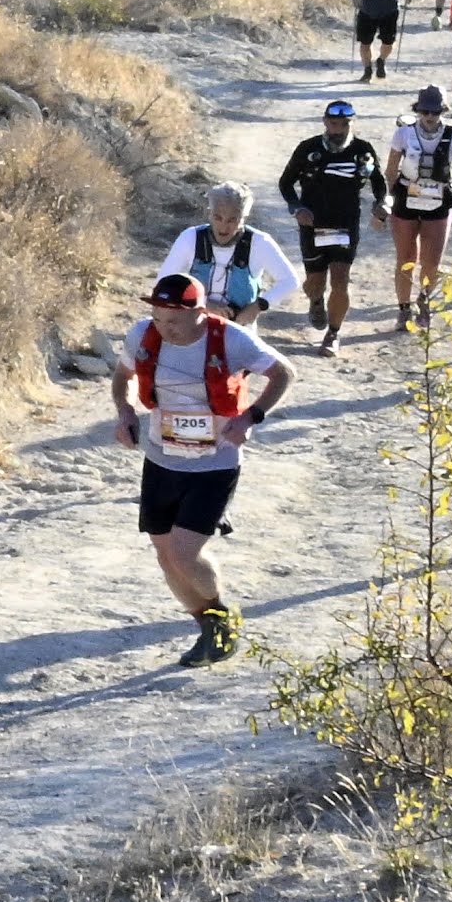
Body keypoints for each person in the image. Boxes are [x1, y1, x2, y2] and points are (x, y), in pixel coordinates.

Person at [109, 273, 295, 665]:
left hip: (215, 463)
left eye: (174, 320)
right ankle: (208, 626)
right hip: (161, 460)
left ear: (199, 312)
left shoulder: (232, 340)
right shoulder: (143, 334)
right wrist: (125, 412)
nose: (165, 329)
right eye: (158, 319)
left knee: (184, 553)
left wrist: (251, 416)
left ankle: (221, 614)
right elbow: (122, 377)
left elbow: (284, 373)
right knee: (166, 556)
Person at [275, 100, 381, 352]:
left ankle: (333, 334)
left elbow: (379, 183)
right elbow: (286, 183)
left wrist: (381, 204)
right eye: (333, 123)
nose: (338, 129)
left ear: (351, 123)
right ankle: (315, 300)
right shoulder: (308, 148)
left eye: (344, 124)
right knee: (315, 282)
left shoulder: (363, 150)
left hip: (346, 224)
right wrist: (297, 208)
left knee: (341, 280)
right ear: (325, 122)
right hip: (313, 223)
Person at [382, 85, 452, 332]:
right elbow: (390, 169)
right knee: (405, 258)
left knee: (431, 261)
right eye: (425, 111)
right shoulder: (403, 134)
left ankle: (423, 302)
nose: (430, 116)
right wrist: (388, 199)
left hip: (438, 201)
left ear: (443, 110)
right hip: (406, 199)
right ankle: (403, 308)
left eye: (435, 111)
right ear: (418, 110)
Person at [157, 185, 283, 319]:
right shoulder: (191, 237)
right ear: (209, 214)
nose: (224, 227)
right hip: (195, 324)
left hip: (239, 326)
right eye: (218, 218)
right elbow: (163, 282)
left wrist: (259, 305)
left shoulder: (259, 242)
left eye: (232, 220)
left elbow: (290, 281)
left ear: (243, 218)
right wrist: (203, 303)